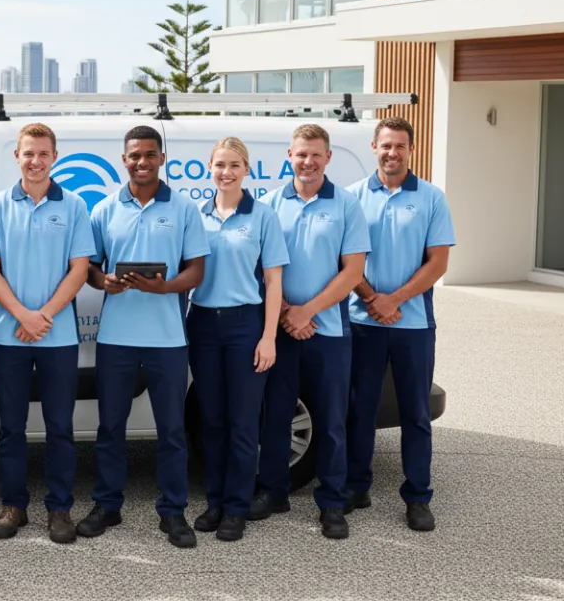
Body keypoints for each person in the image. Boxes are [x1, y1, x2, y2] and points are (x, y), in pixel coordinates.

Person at [79, 125, 209, 549]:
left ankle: (173, 512)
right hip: (116, 336)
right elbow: (90, 269)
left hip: (168, 338)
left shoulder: (185, 209)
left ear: (161, 158)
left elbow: (196, 271)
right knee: (110, 427)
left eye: (149, 155)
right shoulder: (104, 210)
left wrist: (163, 287)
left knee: (171, 430)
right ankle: (107, 505)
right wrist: (106, 282)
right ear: (124, 160)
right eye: (134, 155)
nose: (141, 162)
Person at [0, 123, 96, 545]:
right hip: (9, 336)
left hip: (58, 335)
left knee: (59, 426)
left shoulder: (75, 206)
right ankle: (13, 506)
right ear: (17, 156)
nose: (36, 160)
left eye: (44, 153)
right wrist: (21, 316)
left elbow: (80, 269)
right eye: (29, 153)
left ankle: (59, 509)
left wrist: (42, 315)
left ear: (55, 157)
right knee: (11, 427)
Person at [254, 123, 370, 540]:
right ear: (289, 155)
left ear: (328, 158)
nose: (308, 161)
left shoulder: (345, 205)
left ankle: (333, 501)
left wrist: (307, 311)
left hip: (329, 329)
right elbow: (260, 268)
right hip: (280, 328)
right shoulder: (269, 204)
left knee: (332, 419)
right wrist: (288, 312)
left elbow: (353, 271)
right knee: (277, 415)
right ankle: (273, 491)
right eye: (301, 154)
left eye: (316, 154)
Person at [345, 117, 454, 532]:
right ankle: (357, 486)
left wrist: (395, 300)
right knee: (360, 410)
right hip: (363, 322)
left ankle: (418, 496)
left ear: (411, 150)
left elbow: (438, 262)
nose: (393, 153)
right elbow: (346, 262)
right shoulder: (352, 197)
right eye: (386, 145)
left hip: (413, 326)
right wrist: (374, 299)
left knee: (415, 413)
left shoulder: (430, 198)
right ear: (374, 146)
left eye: (401, 146)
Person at [186, 137, 288, 542]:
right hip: (204, 324)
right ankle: (215, 501)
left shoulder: (262, 216)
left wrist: (268, 337)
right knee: (211, 420)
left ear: (246, 169)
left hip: (247, 324)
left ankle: (236, 507)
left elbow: (274, 280)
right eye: (219, 165)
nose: (226, 172)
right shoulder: (197, 215)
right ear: (208, 169)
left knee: (244, 422)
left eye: (234, 165)